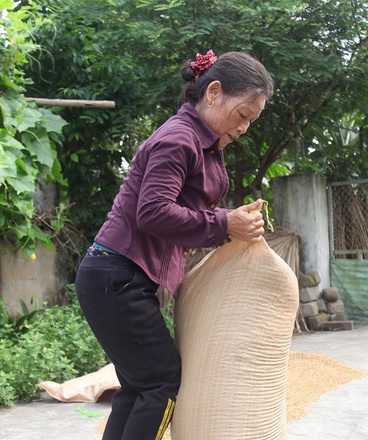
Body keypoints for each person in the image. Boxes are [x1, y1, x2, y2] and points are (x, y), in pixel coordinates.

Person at [74, 50, 275, 440]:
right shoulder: (179, 139)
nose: (245, 127)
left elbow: (179, 210)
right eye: (244, 115)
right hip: (118, 277)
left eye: (252, 120)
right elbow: (153, 212)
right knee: (162, 382)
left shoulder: (199, 142)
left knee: (139, 386)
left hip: (115, 277)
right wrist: (224, 223)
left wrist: (229, 221)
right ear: (214, 92)